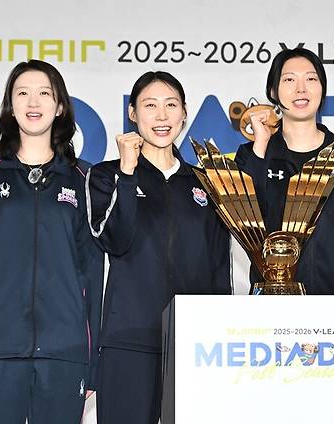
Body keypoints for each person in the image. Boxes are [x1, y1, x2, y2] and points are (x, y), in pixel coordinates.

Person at [0, 60, 104, 424]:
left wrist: (92, 359)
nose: (33, 102)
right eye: (23, 93)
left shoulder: (83, 178)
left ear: (59, 106)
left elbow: (92, 271)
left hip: (64, 351)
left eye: (44, 93)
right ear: (11, 106)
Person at [86, 71, 231, 424]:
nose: (162, 116)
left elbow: (218, 266)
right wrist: (128, 173)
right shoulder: (106, 175)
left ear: (184, 113)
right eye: (150, 105)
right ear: (132, 113)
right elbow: (114, 240)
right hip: (128, 340)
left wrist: (220, 334)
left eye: (171, 105)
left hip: (196, 345)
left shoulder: (206, 183)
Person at [235, 47, 334, 294]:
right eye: (289, 80)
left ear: (322, 89)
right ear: (273, 91)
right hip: (275, 302)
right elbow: (247, 223)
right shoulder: (253, 155)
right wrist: (261, 144)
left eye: (311, 79)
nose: (301, 89)